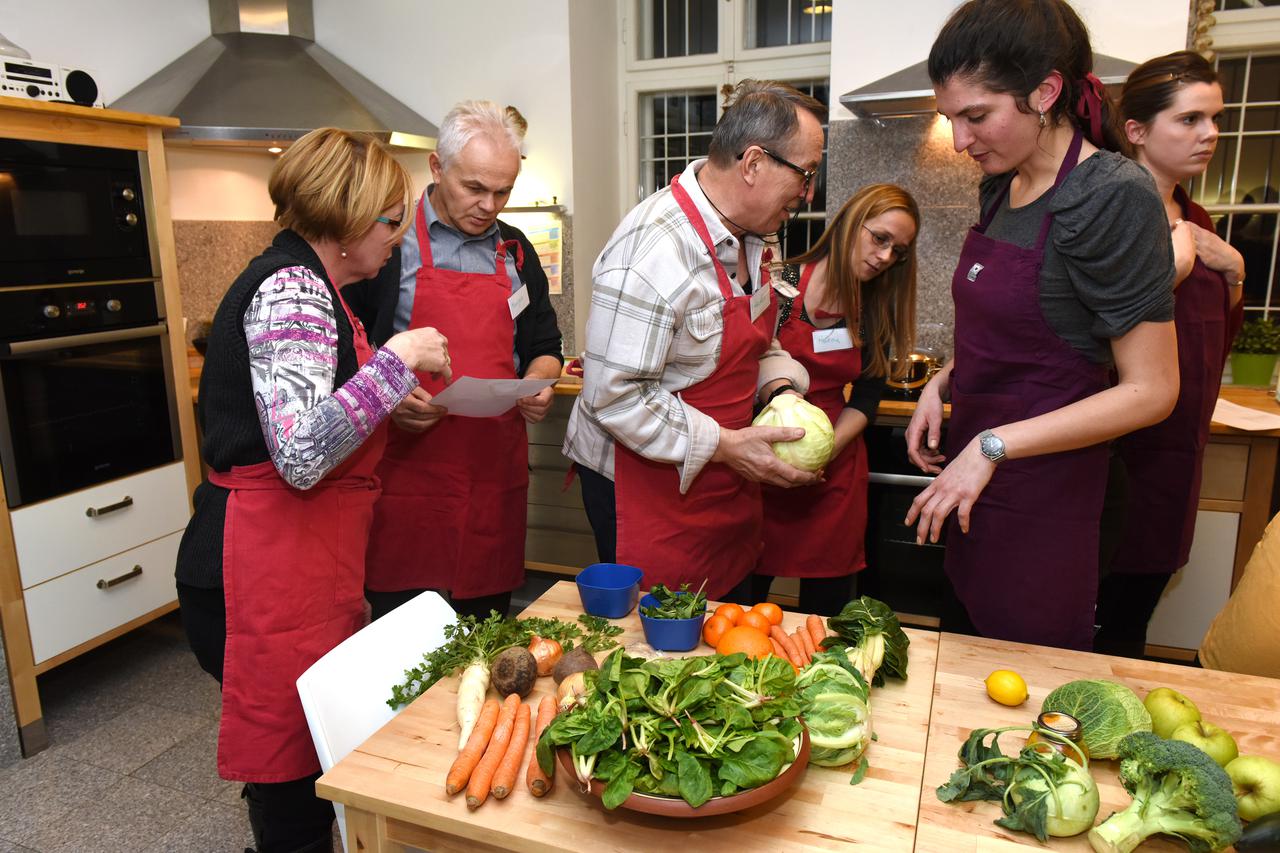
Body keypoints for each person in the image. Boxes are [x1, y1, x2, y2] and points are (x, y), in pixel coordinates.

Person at [174, 128, 450, 852]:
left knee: (302, 764)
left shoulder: (317, 284)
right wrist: (398, 361)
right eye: (392, 220)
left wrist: (388, 397)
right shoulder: (293, 287)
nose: (396, 237)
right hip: (254, 569)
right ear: (352, 216)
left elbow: (316, 414)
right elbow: (298, 453)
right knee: (294, 779)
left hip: (295, 560)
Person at [905, 0, 1180, 651]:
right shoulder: (1000, 187)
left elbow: (1152, 390)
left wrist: (992, 445)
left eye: (977, 116)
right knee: (964, 674)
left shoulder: (1111, 195)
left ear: (1045, 91)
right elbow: (1019, 330)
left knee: (1026, 701)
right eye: (952, 120)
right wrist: (941, 383)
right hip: (976, 489)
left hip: (1049, 503)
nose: (963, 141)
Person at [563, 79, 824, 602]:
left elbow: (761, 345)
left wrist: (780, 393)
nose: (809, 193)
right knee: (653, 648)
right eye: (806, 174)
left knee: (724, 624)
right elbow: (614, 395)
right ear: (753, 164)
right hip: (643, 490)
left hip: (721, 481)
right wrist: (727, 445)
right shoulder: (654, 250)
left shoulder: (754, 235)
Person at [347, 101, 563, 622]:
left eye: (503, 190)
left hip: (492, 476)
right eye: (474, 188)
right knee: (404, 643)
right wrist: (388, 401)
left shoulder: (516, 251)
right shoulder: (388, 246)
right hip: (406, 475)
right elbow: (345, 356)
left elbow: (546, 344)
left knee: (484, 636)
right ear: (437, 169)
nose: (489, 205)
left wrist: (539, 382)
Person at [1094, 51, 1246, 658]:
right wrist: (1174, 271)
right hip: (1120, 457)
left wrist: (1233, 274)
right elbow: (1086, 343)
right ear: (1136, 131)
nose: (1210, 134)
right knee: (1101, 625)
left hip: (1179, 455)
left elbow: (1210, 340)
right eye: (1189, 120)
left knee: (1135, 617)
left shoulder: (1195, 216)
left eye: (1214, 118)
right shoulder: (1109, 217)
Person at [753, 184, 920, 615]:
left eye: (897, 251)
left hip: (834, 468)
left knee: (826, 614)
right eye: (879, 238)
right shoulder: (781, 285)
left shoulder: (874, 307)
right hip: (762, 461)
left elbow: (866, 398)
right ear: (849, 222)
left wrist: (824, 449)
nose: (885, 257)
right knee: (742, 600)